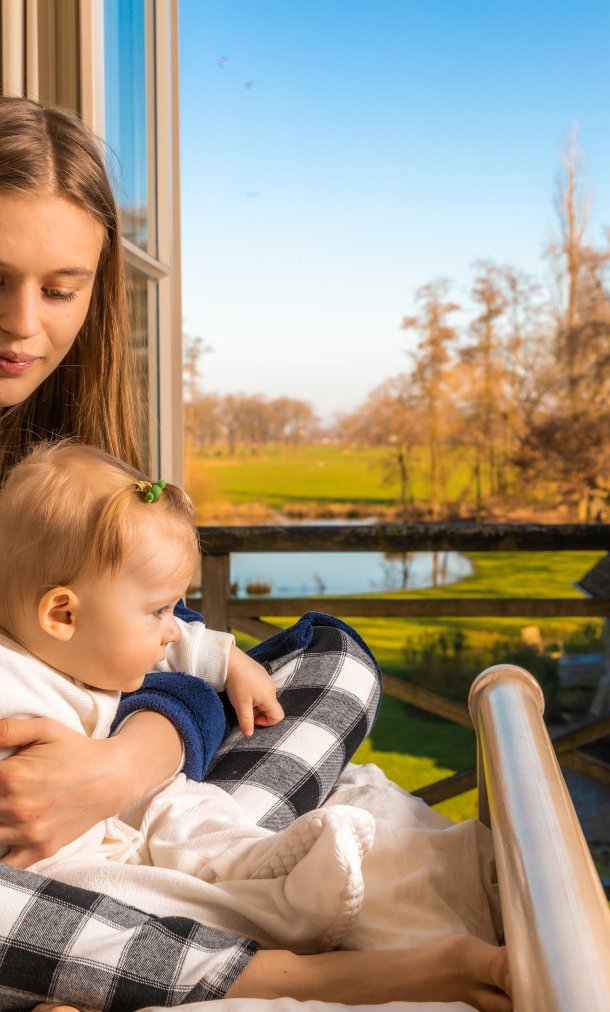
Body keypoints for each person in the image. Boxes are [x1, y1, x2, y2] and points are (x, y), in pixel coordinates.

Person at [0, 96, 511, 1011]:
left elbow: (167, 637)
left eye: (59, 288)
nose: (20, 324)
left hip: (109, 778)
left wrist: (121, 768)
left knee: (334, 667)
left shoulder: (68, 453)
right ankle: (284, 966)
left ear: (96, 289)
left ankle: (192, 883)